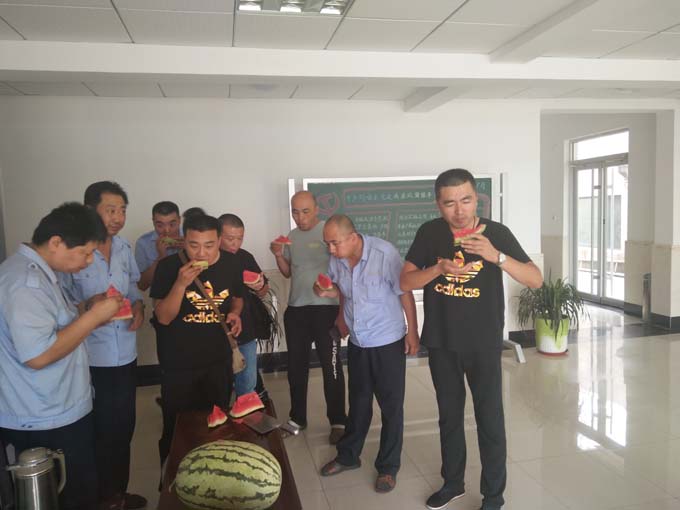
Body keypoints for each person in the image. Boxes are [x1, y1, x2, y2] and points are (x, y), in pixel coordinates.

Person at [400, 169, 542, 510]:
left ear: (477, 198)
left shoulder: (497, 233)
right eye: (450, 203)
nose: (459, 210)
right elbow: (405, 281)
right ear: (438, 204)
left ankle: (493, 496)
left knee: (489, 419)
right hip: (442, 341)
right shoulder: (430, 232)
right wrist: (438, 269)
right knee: (449, 416)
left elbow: (535, 279)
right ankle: (453, 483)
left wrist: (496, 256)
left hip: (483, 342)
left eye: (466, 200)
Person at [0, 202, 122, 510]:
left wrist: (86, 308)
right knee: (70, 497)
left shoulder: (41, 274)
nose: (89, 260)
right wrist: (94, 318)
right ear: (56, 242)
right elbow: (39, 355)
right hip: (43, 417)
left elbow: (54, 325)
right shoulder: (26, 284)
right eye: (85, 252)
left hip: (57, 408)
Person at [316, 215, 419, 493]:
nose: (331, 249)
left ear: (352, 238)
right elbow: (343, 292)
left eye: (335, 243)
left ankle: (388, 467)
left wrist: (412, 332)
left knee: (391, 406)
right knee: (359, 401)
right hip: (358, 340)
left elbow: (405, 292)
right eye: (327, 244)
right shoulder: (337, 259)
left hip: (387, 341)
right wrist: (337, 311)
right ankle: (348, 456)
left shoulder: (384, 254)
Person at [60, 182, 146, 510]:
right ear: (89, 210)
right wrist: (88, 306)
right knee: (97, 432)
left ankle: (116, 495)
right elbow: (59, 307)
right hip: (89, 357)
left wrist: (138, 307)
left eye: (122, 210)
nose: (118, 217)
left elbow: (133, 290)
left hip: (126, 353)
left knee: (123, 427)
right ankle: (96, 498)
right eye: (110, 210)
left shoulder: (123, 248)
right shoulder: (74, 251)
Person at [150, 214, 244, 476]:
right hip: (178, 365)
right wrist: (181, 283)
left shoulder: (232, 263)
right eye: (193, 245)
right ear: (184, 240)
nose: (201, 252)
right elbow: (163, 317)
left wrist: (235, 314)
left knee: (216, 424)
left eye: (209, 245)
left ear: (219, 241)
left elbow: (237, 298)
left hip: (218, 362)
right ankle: (170, 481)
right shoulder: (168, 267)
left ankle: (211, 477)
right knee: (175, 429)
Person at [270, 190, 346, 444]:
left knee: (331, 366)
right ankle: (297, 419)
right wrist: (278, 254)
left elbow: (344, 262)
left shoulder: (328, 232)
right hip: (297, 310)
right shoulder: (291, 237)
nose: (300, 217)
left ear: (316, 209)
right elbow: (288, 273)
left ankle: (338, 421)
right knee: (296, 367)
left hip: (326, 309)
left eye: (305, 211)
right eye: (295, 212)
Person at [219, 213, 270, 413]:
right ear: (217, 235)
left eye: (239, 238)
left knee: (247, 385)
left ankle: (246, 422)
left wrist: (259, 286)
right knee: (218, 389)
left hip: (245, 329)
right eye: (230, 238)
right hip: (216, 333)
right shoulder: (208, 260)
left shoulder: (245, 257)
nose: (235, 243)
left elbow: (263, 290)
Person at [135, 201, 183, 292]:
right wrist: (161, 257)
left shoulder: (191, 236)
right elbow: (142, 285)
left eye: (172, 224)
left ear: (179, 220)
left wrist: (189, 249)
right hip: (161, 297)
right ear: (153, 222)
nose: (167, 230)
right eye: (160, 225)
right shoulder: (143, 243)